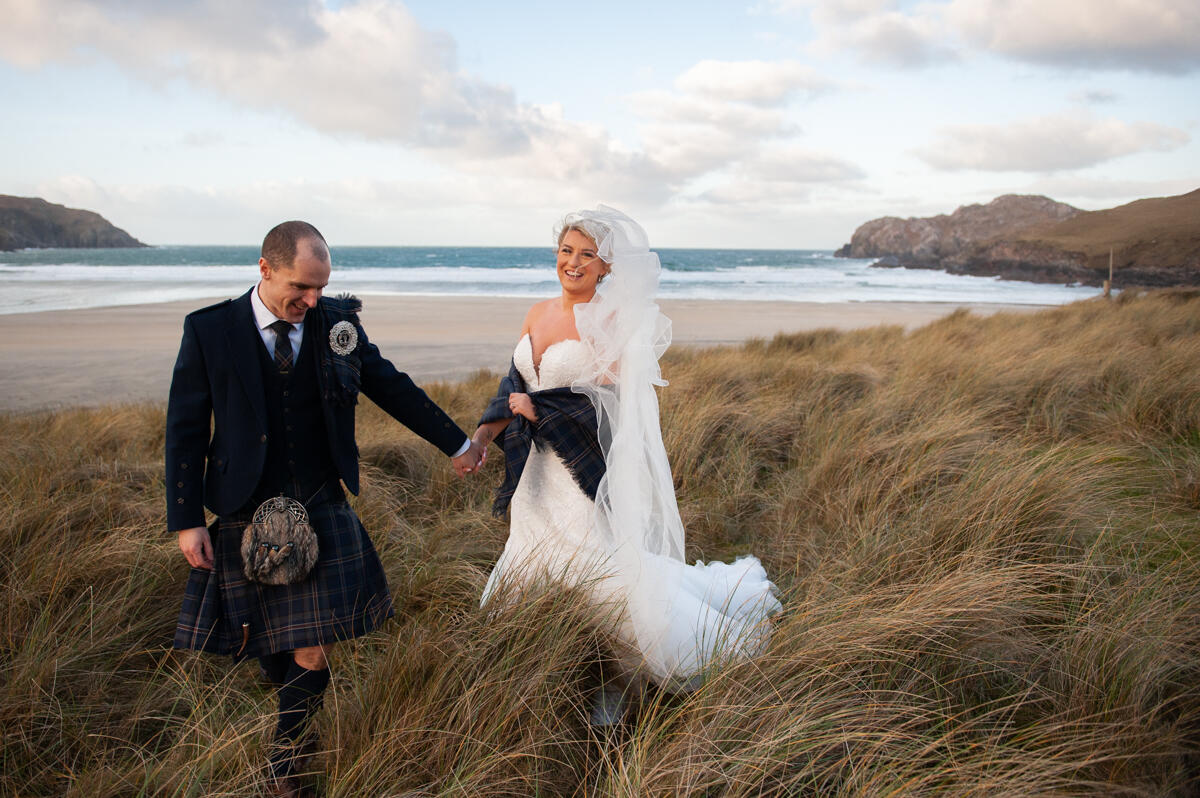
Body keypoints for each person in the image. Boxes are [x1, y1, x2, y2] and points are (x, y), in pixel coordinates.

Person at [166, 221, 484, 798]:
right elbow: (185, 429)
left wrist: (457, 443)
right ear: (265, 269)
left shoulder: (337, 324)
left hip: (320, 501)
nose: (312, 301)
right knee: (270, 644)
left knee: (314, 640)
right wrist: (186, 519)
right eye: (301, 287)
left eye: (321, 288)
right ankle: (284, 694)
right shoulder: (210, 330)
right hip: (243, 506)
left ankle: (283, 769)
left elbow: (390, 386)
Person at [472, 206, 780, 723]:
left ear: (606, 268)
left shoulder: (611, 322)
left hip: (577, 476)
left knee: (597, 571)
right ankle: (530, 662)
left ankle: (620, 683)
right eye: (566, 251)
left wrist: (538, 409)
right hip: (535, 476)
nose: (574, 263)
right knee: (529, 558)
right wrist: (483, 435)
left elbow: (608, 405)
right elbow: (513, 386)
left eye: (587, 255)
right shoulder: (535, 312)